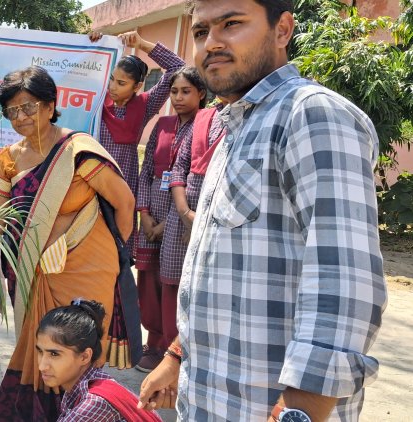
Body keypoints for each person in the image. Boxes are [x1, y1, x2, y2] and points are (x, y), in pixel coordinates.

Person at [138, 1, 387, 421]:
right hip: (212, 400)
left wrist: (301, 411)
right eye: (201, 32)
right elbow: (221, 270)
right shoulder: (234, 126)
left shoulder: (310, 113)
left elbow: (344, 280)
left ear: (282, 30)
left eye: (231, 24)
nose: (212, 43)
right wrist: (179, 355)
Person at [0, 65, 135, 421]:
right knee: (41, 353)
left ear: (51, 105)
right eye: (12, 111)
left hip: (87, 272)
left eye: (28, 107)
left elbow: (125, 204)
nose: (20, 117)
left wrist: (111, 254)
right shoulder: (9, 159)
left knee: (75, 353)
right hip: (31, 274)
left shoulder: (79, 152)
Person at [133, 67, 207, 372]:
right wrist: (146, 215)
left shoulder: (205, 126)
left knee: (173, 283)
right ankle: (152, 341)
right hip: (152, 212)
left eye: (186, 91)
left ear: (201, 93)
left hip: (179, 218)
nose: (178, 97)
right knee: (147, 281)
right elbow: (147, 168)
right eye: (174, 91)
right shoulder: (162, 125)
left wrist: (169, 223)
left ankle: (170, 347)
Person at [89, 30, 185, 253]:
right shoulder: (95, 99)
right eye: (112, 79)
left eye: (121, 83)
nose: (113, 86)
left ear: (137, 87)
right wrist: (96, 45)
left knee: (118, 245)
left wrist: (142, 44)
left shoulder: (145, 105)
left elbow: (178, 68)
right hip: (91, 174)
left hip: (125, 177)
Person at [37, 299, 162, 422]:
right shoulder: (93, 380)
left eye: (54, 354)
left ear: (85, 357)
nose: (42, 366)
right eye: (40, 352)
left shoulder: (91, 404)